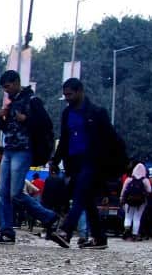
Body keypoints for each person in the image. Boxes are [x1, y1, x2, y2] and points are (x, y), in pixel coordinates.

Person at [0, 70, 64, 245]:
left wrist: (26, 119)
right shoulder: (12, 103)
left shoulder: (32, 101)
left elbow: (46, 124)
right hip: (9, 149)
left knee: (15, 193)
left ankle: (48, 216)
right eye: (4, 88)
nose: (6, 91)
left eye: (8, 87)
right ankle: (6, 231)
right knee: (1, 193)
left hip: (23, 150)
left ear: (16, 82)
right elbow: (8, 128)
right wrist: (1, 119)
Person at [49, 78, 124, 250]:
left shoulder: (97, 113)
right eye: (65, 95)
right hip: (73, 161)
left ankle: (66, 231)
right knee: (87, 199)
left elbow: (112, 138)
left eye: (70, 94)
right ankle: (99, 238)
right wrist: (56, 160)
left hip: (93, 160)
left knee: (80, 193)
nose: (67, 98)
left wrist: (116, 161)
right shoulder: (67, 113)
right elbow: (64, 139)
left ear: (80, 91)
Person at [120, 162, 152, 240]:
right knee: (137, 217)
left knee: (128, 216)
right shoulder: (145, 180)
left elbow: (123, 190)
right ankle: (135, 234)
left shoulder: (129, 179)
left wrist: (121, 198)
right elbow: (149, 190)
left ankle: (126, 230)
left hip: (128, 201)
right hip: (140, 202)